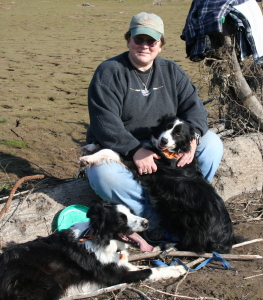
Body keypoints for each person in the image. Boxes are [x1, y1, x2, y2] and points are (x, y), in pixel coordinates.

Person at [84, 12, 224, 235]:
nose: (144, 46)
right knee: (102, 174)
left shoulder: (172, 71)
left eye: (151, 41)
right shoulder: (109, 72)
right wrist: (135, 150)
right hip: (123, 147)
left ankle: (188, 208)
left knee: (213, 143)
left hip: (165, 143)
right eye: (138, 39)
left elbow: (194, 108)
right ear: (128, 40)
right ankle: (153, 220)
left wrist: (195, 137)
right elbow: (104, 122)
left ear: (160, 45)